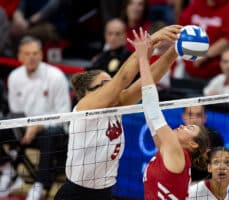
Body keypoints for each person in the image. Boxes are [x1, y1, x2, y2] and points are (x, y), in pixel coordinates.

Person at [54, 25, 183, 200]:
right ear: (88, 93)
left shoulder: (117, 104)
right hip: (76, 194)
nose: (113, 87)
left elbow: (150, 78)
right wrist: (151, 40)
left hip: (105, 193)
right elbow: (122, 79)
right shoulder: (84, 107)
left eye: (110, 81)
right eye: (105, 84)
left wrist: (176, 50)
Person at [128, 28, 209, 199]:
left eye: (190, 128)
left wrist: (143, 58)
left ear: (193, 144)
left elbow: (153, 109)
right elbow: (150, 116)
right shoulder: (169, 150)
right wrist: (172, 50)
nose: (182, 125)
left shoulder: (175, 150)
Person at [1, 36, 71, 199]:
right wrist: (24, 130)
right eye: (27, 54)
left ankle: (40, 184)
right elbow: (15, 112)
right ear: (19, 56)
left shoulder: (56, 76)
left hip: (55, 131)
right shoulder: (14, 77)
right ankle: (7, 170)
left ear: (41, 55)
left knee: (50, 134)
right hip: (24, 129)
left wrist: (38, 126)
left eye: (35, 53)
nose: (31, 57)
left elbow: (65, 115)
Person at [179, 0, 229, 79]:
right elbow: (181, 27)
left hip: (217, 72)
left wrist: (204, 55)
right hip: (190, 68)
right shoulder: (196, 4)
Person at [182, 105, 224, 181]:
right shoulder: (175, 135)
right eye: (190, 115)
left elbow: (218, 167)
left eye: (198, 115)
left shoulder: (214, 137)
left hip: (205, 184)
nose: (194, 120)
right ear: (184, 116)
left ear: (204, 118)